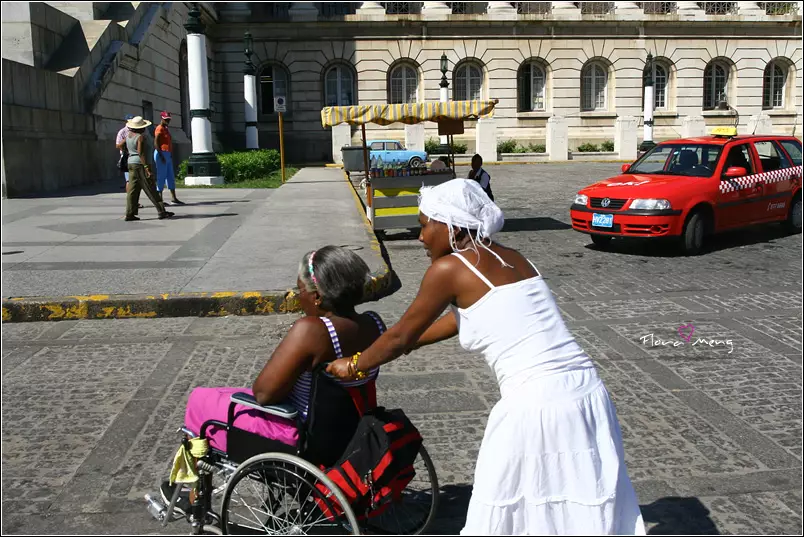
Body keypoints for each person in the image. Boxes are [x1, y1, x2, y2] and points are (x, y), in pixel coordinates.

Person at [327, 179, 645, 536]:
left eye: (424, 224)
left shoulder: (448, 270)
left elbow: (400, 335)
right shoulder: (511, 257)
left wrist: (353, 364)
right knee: (565, 503)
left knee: (509, 502)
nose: (420, 236)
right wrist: (412, 343)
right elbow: (465, 318)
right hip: (585, 391)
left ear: (451, 226)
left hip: (537, 402)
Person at [162, 245, 387, 514]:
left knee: (200, 401)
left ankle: (196, 498)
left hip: (302, 434)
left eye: (299, 290)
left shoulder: (312, 331)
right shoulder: (374, 324)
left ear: (316, 297)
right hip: (349, 427)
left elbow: (264, 394)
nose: (298, 298)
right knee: (222, 394)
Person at [119, 116, 174, 221]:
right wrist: (146, 168)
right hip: (140, 164)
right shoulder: (140, 137)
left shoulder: (128, 135)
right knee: (150, 187)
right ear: (140, 128)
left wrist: (128, 152)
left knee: (132, 190)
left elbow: (119, 145)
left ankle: (130, 213)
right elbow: (141, 153)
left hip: (131, 163)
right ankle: (161, 211)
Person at [154, 111, 184, 206]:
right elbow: (156, 143)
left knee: (170, 176)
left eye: (169, 119)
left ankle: (174, 198)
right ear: (162, 118)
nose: (168, 121)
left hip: (167, 153)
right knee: (161, 176)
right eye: (166, 119)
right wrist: (161, 155)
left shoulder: (166, 128)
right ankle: (159, 199)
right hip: (161, 153)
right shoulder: (159, 128)